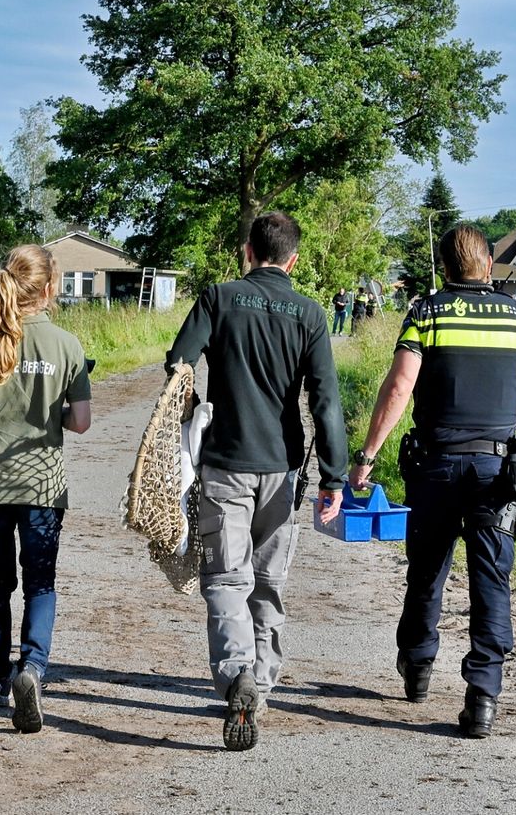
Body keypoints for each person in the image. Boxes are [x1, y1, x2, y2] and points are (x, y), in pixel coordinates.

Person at [348, 225, 516, 739]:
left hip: (436, 465)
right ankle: (482, 699)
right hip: (499, 471)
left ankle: (419, 666)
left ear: (444, 267)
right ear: (488, 266)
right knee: (491, 579)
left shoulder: (428, 313)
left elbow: (401, 384)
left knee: (427, 569)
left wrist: (367, 456)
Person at [166, 211, 346, 752]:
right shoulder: (311, 315)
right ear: (293, 260)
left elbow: (178, 362)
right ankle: (260, 688)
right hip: (283, 468)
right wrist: (333, 476)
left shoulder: (218, 299)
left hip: (225, 463)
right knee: (267, 581)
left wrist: (194, 410)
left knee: (225, 579)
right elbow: (326, 402)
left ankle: (236, 672)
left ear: (247, 251)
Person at [0, 244, 92, 734]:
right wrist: (54, 410)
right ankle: (32, 669)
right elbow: (83, 422)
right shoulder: (68, 346)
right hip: (42, 486)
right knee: (40, 583)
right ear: (49, 289)